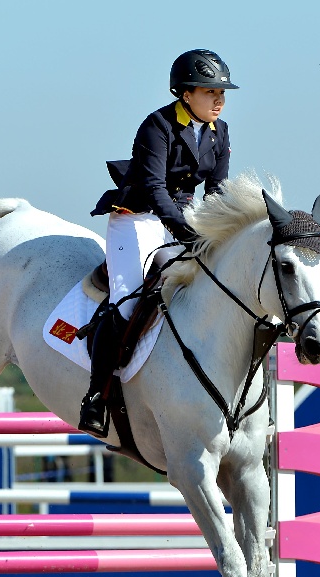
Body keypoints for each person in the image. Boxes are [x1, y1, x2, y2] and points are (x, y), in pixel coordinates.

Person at [79, 49, 239, 438]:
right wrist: (188, 233)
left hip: (184, 217)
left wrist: (216, 234)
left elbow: (216, 191)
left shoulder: (220, 132)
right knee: (129, 299)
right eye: (210, 91)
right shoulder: (157, 126)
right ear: (186, 95)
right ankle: (96, 396)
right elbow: (153, 189)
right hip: (138, 218)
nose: (219, 99)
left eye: (222, 92)